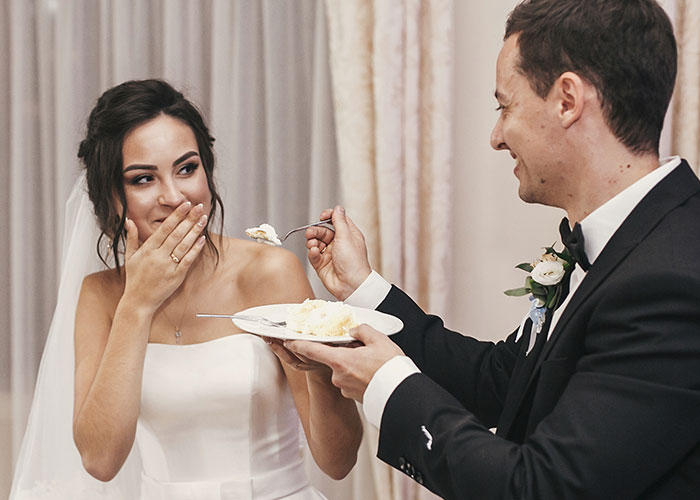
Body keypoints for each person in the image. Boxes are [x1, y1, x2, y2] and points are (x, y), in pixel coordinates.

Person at [276, 1, 700, 498]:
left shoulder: (672, 279)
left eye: (505, 106)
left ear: (567, 100)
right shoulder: (620, 243)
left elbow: (542, 488)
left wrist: (388, 385)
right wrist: (362, 287)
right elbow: (501, 382)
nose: (496, 137)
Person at [10, 79, 362, 499]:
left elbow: (338, 463)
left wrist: (322, 364)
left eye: (187, 168)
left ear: (207, 170)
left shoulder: (269, 271)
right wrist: (137, 305)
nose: (174, 196)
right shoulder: (101, 295)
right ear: (112, 197)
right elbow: (100, 461)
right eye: (143, 179)